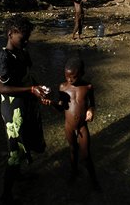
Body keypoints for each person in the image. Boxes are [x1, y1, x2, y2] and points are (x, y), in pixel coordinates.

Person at [0, 14, 50, 205]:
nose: (26, 41)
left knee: (25, 140)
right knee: (15, 151)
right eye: (22, 37)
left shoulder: (22, 52)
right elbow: (0, 89)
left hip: (25, 103)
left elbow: (27, 76)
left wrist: (37, 88)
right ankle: (5, 196)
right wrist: (30, 90)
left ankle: (18, 176)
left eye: (27, 37)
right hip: (12, 109)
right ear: (10, 34)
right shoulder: (4, 58)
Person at [48, 57, 99, 190]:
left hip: (82, 127)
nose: (70, 79)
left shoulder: (88, 87)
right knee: (72, 150)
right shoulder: (62, 87)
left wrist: (91, 111)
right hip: (69, 126)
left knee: (86, 155)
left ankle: (93, 179)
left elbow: (92, 104)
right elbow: (61, 108)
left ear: (82, 73)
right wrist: (52, 103)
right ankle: (74, 172)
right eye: (67, 76)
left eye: (74, 77)